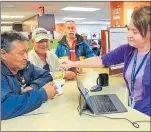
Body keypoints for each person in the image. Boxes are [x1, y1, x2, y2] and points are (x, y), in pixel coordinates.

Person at [60, 5, 151, 116]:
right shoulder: (128, 50)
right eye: (129, 29)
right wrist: (74, 63)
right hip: (133, 107)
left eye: (135, 32)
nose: (129, 35)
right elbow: (101, 60)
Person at [1, 30, 58, 120]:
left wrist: (33, 87)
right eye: (21, 53)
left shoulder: (26, 66)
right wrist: (43, 94)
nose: (26, 57)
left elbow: (46, 75)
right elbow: (5, 106)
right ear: (3, 54)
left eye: (26, 52)